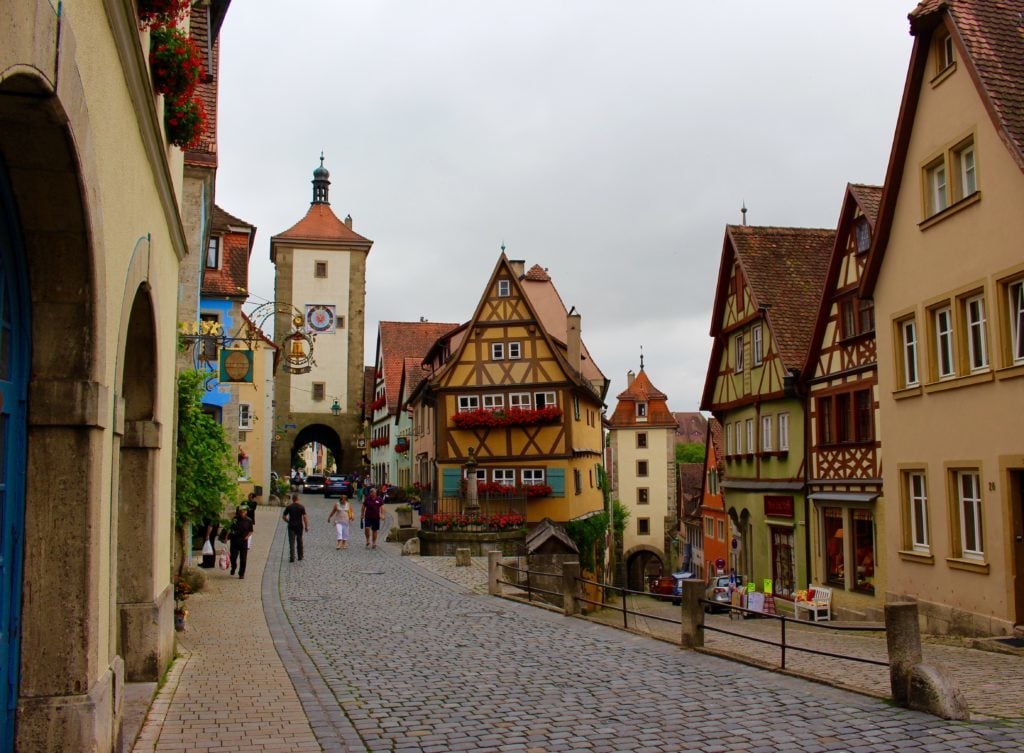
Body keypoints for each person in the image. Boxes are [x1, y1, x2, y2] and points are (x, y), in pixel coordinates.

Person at [282, 493, 309, 562]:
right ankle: (300, 556)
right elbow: (305, 517)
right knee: (299, 541)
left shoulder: (289, 507)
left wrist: (288, 521)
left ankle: (292, 557)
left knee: (291, 542)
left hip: (291, 526)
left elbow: (284, 517)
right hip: (299, 526)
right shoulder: (301, 507)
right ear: (298, 499)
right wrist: (306, 526)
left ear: (292, 499)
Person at [228, 506, 253, 578]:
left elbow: (251, 531)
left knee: (243, 559)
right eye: (241, 512)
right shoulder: (234, 519)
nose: (242, 513)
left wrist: (247, 537)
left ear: (246, 512)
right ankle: (233, 567)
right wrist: (227, 537)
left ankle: (241, 574)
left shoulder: (249, 520)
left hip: (243, 541)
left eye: (244, 512)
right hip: (234, 540)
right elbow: (230, 529)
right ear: (239, 512)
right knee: (233, 557)